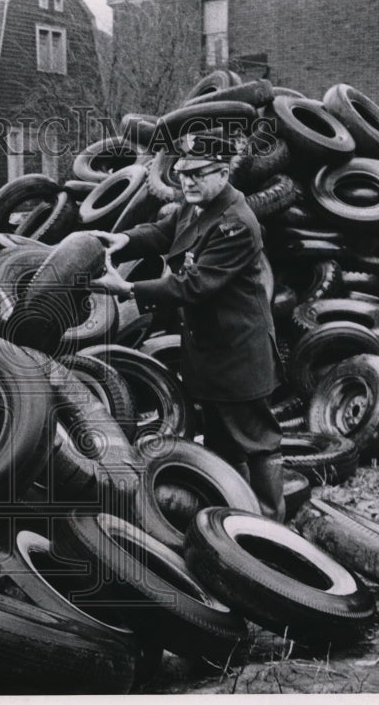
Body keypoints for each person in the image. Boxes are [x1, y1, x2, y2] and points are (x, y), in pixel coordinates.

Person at [88, 132, 286, 521]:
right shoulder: (198, 205)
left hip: (239, 352)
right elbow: (164, 234)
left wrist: (127, 288)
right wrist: (122, 240)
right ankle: (234, 517)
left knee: (257, 440)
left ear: (224, 173)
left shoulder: (236, 223)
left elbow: (193, 286)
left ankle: (271, 521)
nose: (187, 182)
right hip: (210, 348)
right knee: (220, 443)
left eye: (198, 174)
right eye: (182, 173)